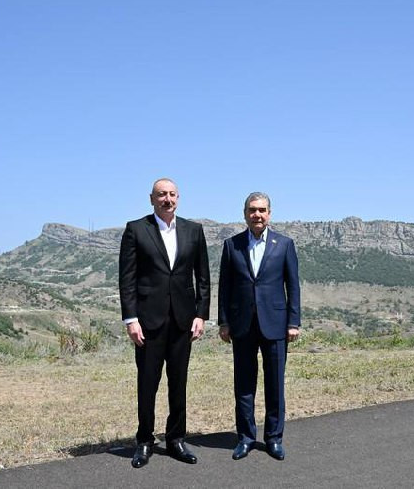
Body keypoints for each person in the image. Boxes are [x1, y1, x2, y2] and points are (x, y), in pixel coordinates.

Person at [118, 177, 211, 468]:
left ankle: (175, 439)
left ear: (178, 198)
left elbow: (203, 277)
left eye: (172, 194)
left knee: (178, 382)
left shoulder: (193, 230)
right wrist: (131, 319)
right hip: (148, 321)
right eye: (161, 195)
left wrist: (201, 314)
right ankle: (145, 440)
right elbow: (127, 279)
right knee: (148, 383)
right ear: (152, 199)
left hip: (183, 320)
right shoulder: (136, 229)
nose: (167, 199)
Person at [218, 191, 301, 461]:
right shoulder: (232, 245)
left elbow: (293, 286)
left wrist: (293, 322)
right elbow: (225, 287)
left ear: (269, 213)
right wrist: (224, 322)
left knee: (275, 384)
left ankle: (274, 438)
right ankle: (245, 438)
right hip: (242, 325)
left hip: (276, 324)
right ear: (245, 214)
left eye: (262, 210)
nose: (257, 215)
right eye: (252, 210)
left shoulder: (284, 244)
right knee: (244, 384)